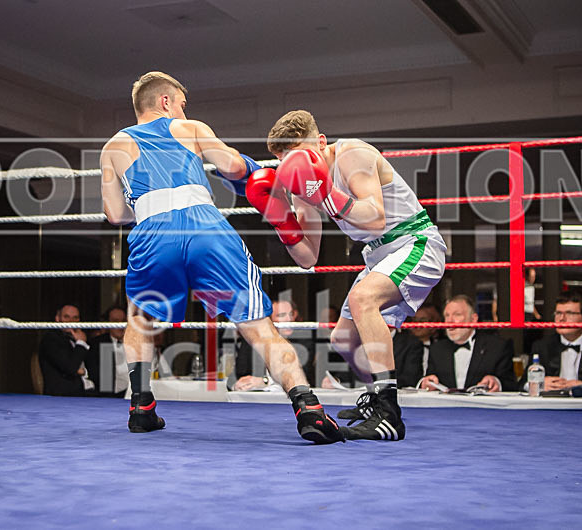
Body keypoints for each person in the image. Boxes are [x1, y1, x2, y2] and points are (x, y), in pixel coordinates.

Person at [100, 73, 343, 444]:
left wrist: (153, 205)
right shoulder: (190, 128)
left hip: (151, 231)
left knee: (140, 314)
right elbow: (232, 167)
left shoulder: (112, 148)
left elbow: (115, 214)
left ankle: (141, 408)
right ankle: (307, 407)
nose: (184, 109)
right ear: (166, 102)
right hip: (203, 226)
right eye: (181, 102)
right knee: (257, 323)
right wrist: (252, 171)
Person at [257, 110, 447, 441]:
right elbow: (308, 257)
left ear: (320, 142)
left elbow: (374, 217)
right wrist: (282, 221)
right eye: (287, 165)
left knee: (363, 300)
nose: (296, 171)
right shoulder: (302, 184)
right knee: (343, 340)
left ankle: (389, 414)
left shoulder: (351, 153)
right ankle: (375, 400)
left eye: (301, 159)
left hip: (414, 241)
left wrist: (327, 195)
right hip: (377, 256)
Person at [419, 295, 516, 392]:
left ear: (473, 319)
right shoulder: (437, 349)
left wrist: (497, 382)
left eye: (457, 314)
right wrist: (426, 383)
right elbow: (429, 380)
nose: (450, 321)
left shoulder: (497, 347)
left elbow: (512, 385)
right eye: (447, 316)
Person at [233, 299, 315, 390]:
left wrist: (265, 381)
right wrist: (242, 383)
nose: (289, 319)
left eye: (291, 314)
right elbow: (240, 372)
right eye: (281, 315)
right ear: (269, 320)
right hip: (258, 398)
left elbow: (302, 375)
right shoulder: (252, 340)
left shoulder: (303, 341)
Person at [38, 304, 96, 397]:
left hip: (87, 391)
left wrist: (83, 371)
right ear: (57, 318)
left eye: (75, 318)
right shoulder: (51, 339)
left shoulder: (81, 337)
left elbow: (94, 368)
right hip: (64, 396)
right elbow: (70, 368)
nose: (71, 321)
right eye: (66, 317)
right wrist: (81, 343)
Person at [86, 305, 130, 398]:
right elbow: (93, 372)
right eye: (115, 321)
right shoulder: (97, 343)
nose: (120, 326)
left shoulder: (134, 343)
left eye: (123, 321)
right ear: (108, 324)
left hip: (132, 395)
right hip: (107, 397)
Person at [409, 303, 442, 376]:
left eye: (422, 321)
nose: (417, 324)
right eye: (414, 320)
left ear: (433, 325)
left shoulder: (441, 348)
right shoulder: (403, 348)